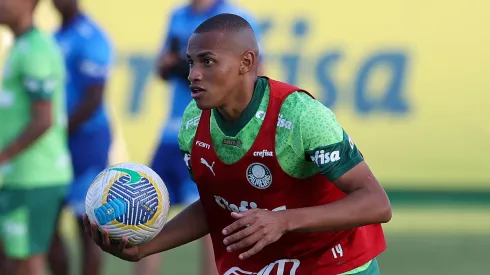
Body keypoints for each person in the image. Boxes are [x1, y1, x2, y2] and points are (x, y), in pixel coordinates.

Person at [84, 13, 392, 275]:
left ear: (246, 62)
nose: (193, 74)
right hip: (262, 266)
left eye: (208, 61)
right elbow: (216, 206)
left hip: (334, 265)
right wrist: (145, 248)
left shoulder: (301, 116)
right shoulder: (192, 123)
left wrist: (283, 221)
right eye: (191, 62)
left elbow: (376, 203)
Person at [148, 1, 261, 275]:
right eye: (192, 62)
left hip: (212, 131)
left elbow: (254, 72)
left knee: (210, 217)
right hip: (173, 131)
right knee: (145, 211)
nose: (195, 70)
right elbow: (162, 67)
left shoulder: (236, 17)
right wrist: (170, 66)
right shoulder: (177, 15)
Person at [0, 0, 73, 274]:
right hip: (20, 175)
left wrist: (4, 155)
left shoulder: (36, 50)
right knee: (14, 259)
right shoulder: (20, 46)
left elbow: (43, 119)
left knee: (28, 261)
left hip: (36, 176)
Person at [47, 1, 113, 275]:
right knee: (47, 223)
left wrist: (57, 130)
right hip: (55, 143)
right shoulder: (53, 37)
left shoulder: (92, 36)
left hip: (86, 141)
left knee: (86, 225)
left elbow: (94, 98)